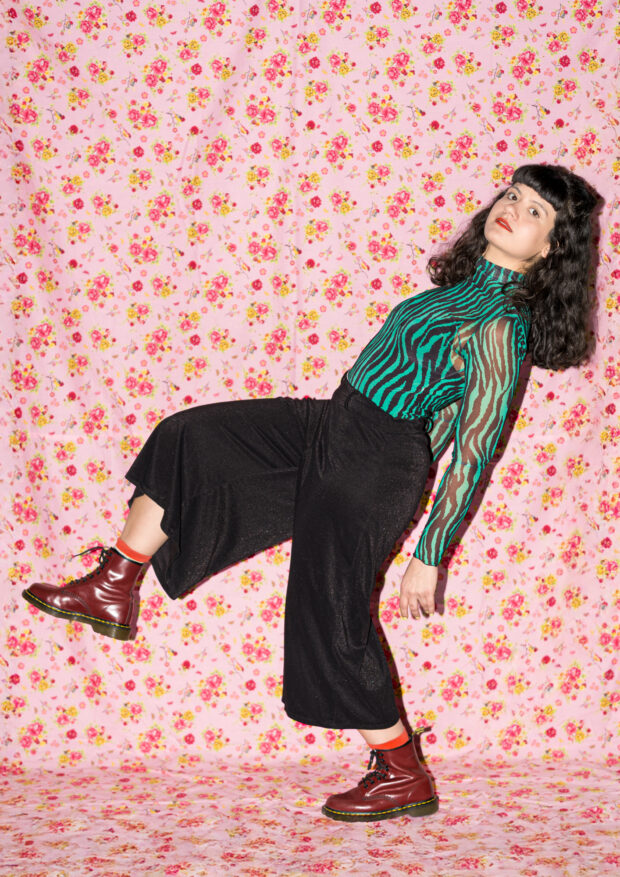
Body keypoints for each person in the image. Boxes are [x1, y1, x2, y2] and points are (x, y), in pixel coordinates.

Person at [22, 163, 600, 822]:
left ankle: (401, 771)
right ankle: (114, 583)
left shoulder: (501, 324)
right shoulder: (456, 294)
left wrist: (429, 551)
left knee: (330, 609)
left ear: (550, 249)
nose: (513, 208)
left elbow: (474, 448)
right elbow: (438, 404)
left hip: (375, 457)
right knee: (192, 439)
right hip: (335, 422)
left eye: (535, 212)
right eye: (513, 195)